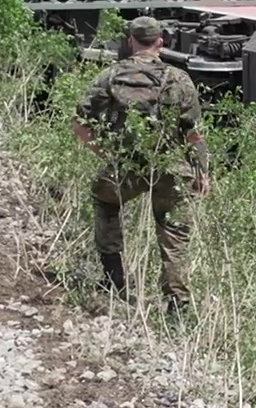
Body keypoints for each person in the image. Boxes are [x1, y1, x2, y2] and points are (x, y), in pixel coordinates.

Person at [72, 16, 209, 313]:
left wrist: (107, 154)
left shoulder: (111, 75)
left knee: (105, 200)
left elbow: (81, 124)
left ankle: (114, 280)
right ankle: (177, 306)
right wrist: (202, 171)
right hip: (173, 168)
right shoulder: (179, 78)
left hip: (128, 166)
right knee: (173, 233)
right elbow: (194, 131)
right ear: (160, 42)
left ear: (131, 41)